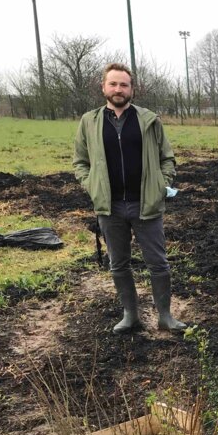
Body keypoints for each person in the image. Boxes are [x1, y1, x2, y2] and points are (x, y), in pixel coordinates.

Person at [73, 63, 187, 335]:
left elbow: (167, 157)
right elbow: (80, 161)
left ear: (132, 89)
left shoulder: (149, 120)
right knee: (118, 263)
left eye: (124, 85)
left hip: (145, 205)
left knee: (158, 263)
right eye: (113, 84)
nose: (118, 89)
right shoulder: (89, 122)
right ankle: (131, 315)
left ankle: (165, 316)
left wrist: (162, 184)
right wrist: (91, 185)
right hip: (109, 207)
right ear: (103, 87)